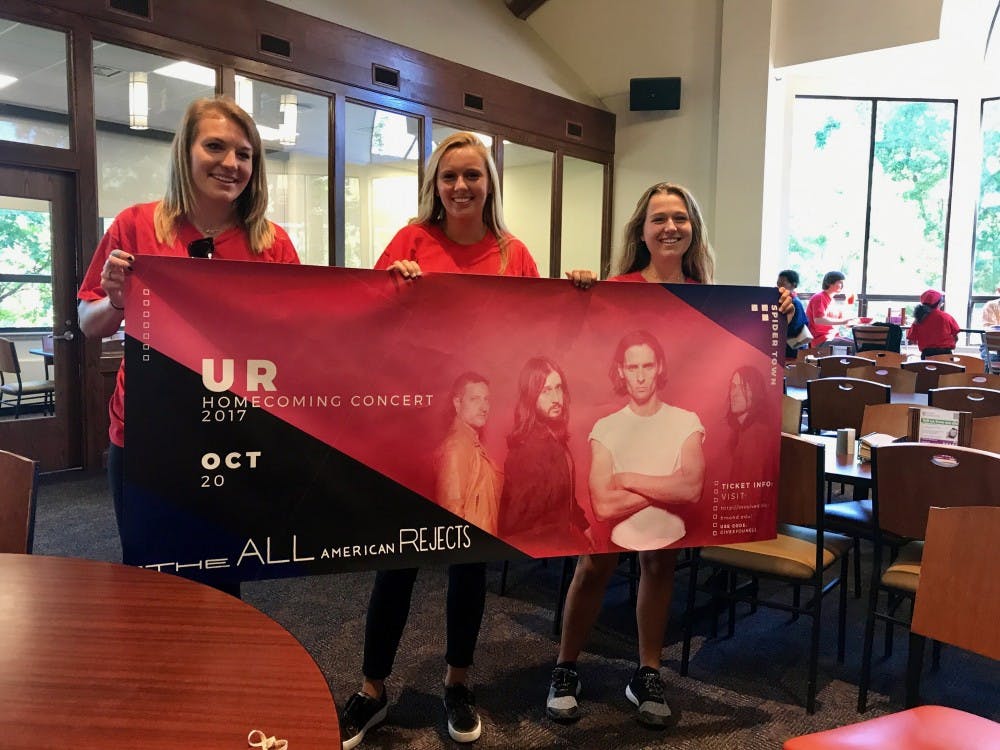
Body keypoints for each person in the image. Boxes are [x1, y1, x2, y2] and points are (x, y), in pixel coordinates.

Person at [340, 131, 595, 749]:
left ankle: (458, 683)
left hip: (485, 435)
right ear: (435, 184)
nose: (460, 187)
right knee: (395, 563)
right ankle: (372, 691)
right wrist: (390, 287)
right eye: (449, 176)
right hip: (415, 432)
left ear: (490, 184)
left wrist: (578, 292)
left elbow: (540, 333)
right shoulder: (410, 242)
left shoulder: (514, 254)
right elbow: (367, 320)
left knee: (468, 566)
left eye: (472, 176)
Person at [547, 182, 793, 729]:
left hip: (671, 430)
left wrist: (779, 312)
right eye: (659, 219)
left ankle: (648, 671)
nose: (670, 227)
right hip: (620, 433)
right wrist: (581, 288)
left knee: (661, 560)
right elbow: (572, 340)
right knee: (596, 560)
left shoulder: (711, 296)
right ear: (642, 230)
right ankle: (565, 665)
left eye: (680, 218)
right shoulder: (618, 289)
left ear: (693, 228)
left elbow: (763, 349)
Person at [76, 96, 299, 579]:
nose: (231, 163)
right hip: (145, 434)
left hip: (234, 433)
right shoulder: (135, 226)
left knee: (223, 574)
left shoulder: (272, 243)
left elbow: (298, 335)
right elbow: (88, 323)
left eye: (244, 154)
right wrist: (116, 301)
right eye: (215, 146)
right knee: (148, 578)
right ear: (186, 152)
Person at [497, 356, 590, 556]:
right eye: (546, 391)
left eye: (559, 388)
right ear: (531, 396)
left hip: (558, 543)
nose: (557, 399)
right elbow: (519, 525)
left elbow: (565, 497)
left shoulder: (553, 437)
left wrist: (584, 527)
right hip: (537, 554)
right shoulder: (527, 451)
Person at [435, 372, 502, 535]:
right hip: (473, 553)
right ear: (457, 403)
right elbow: (452, 514)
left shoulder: (473, 444)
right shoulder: (456, 447)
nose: (484, 407)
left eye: (486, 399)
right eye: (475, 399)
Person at [726, 366, 777, 481]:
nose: (735, 393)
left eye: (744, 387)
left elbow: (751, 496)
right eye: (733, 386)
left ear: (755, 392)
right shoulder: (744, 432)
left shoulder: (755, 436)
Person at [805, 271, 856, 348]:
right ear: (829, 283)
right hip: (821, 340)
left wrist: (849, 302)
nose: (842, 285)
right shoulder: (819, 297)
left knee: (858, 344)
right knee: (856, 347)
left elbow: (845, 323)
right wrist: (844, 321)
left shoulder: (833, 301)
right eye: (840, 282)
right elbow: (818, 320)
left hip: (833, 337)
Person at [907, 288, 959, 358]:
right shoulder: (946, 317)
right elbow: (956, 336)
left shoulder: (918, 319)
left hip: (927, 355)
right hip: (946, 355)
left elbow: (911, 341)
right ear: (939, 303)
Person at [778, 270, 810, 358]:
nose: (779, 285)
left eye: (783, 282)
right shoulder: (783, 300)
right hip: (787, 345)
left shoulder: (795, 302)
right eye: (778, 282)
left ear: (794, 285)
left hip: (792, 346)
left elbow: (795, 327)